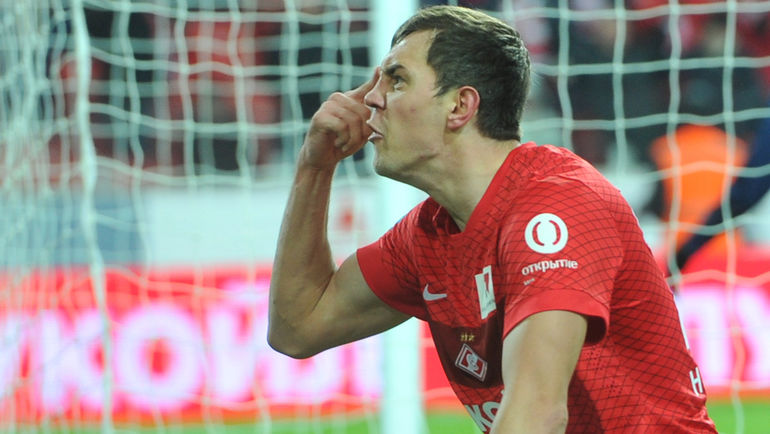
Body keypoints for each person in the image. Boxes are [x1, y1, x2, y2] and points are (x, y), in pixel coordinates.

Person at [268, 6, 716, 433]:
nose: (370, 98)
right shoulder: (429, 233)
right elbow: (298, 328)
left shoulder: (556, 207)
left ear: (460, 106)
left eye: (397, 80)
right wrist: (315, 166)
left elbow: (538, 417)